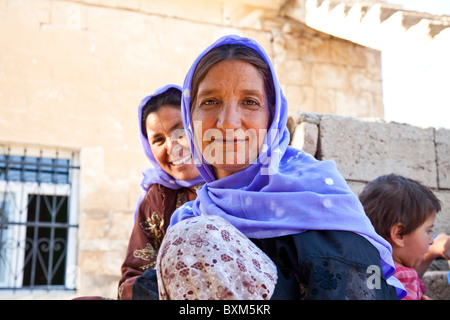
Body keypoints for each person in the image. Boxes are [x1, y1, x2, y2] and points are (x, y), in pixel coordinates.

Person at [156, 35, 407, 300]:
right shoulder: (190, 216)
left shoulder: (319, 198)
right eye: (210, 102)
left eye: (250, 102)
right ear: (189, 116)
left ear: (272, 116)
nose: (228, 122)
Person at [118, 85, 204, 300]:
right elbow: (132, 277)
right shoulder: (158, 198)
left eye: (180, 132)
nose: (172, 147)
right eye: (158, 140)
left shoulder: (236, 179)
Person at [359, 173, 450, 300]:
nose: (430, 240)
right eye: (428, 231)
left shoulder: (369, 269)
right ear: (398, 234)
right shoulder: (404, 279)